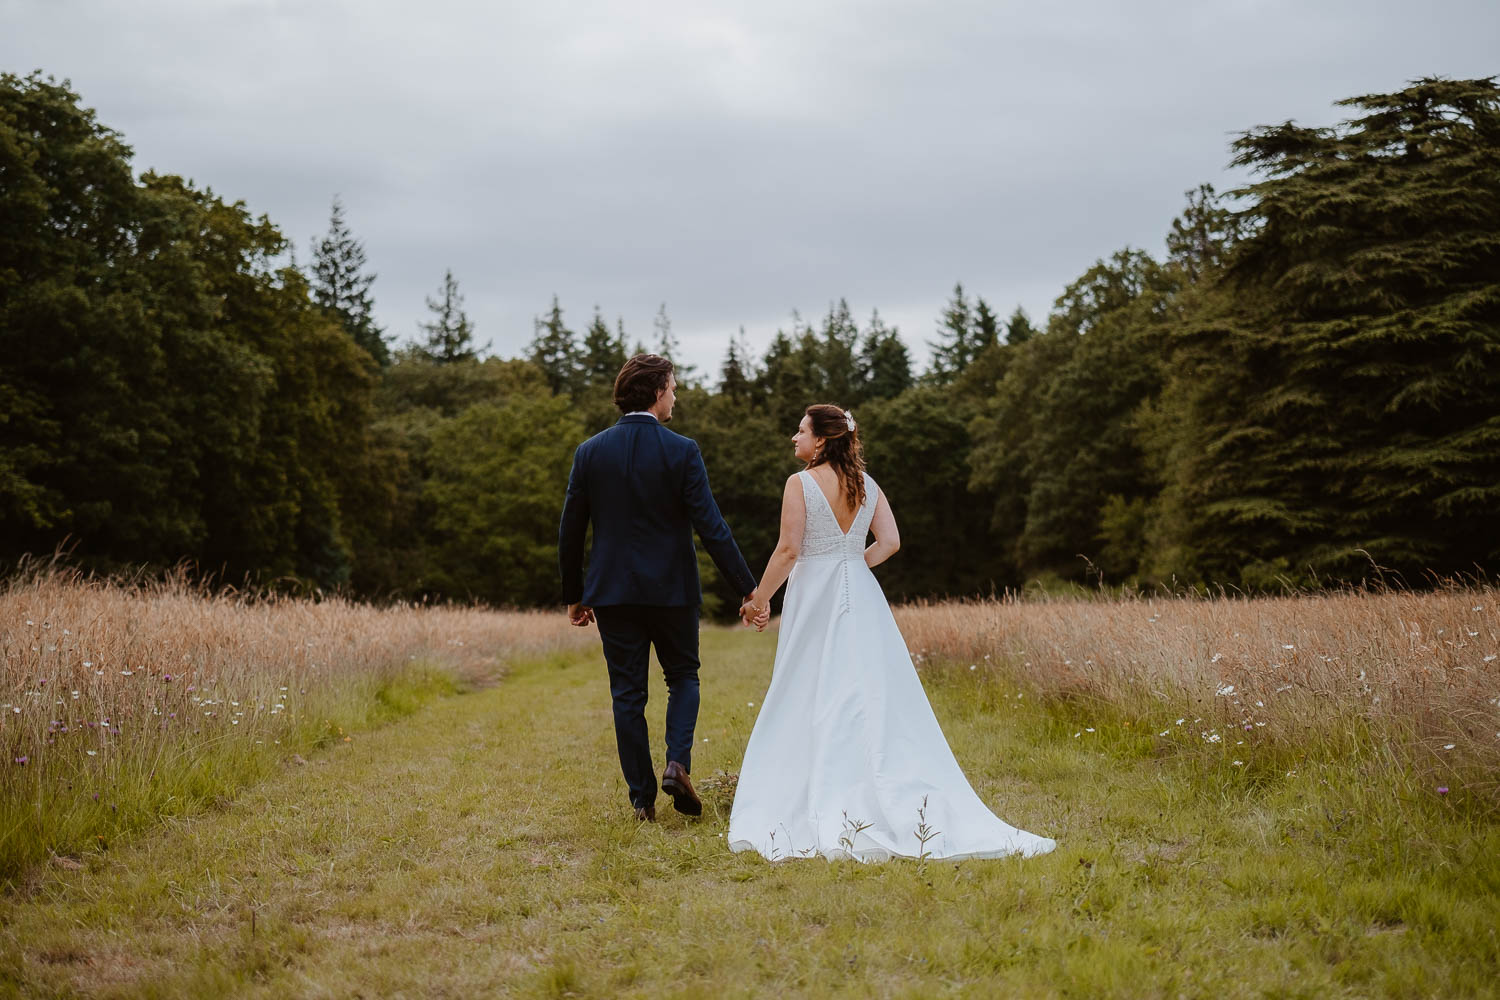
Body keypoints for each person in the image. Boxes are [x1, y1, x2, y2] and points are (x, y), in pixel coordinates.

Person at [729, 404, 1057, 861]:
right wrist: (850, 565)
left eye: (800, 431)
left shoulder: (800, 483)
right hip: (861, 594)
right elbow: (890, 543)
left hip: (815, 597)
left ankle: (815, 793)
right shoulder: (868, 485)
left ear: (821, 440)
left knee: (807, 686)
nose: (794, 438)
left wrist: (759, 599)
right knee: (868, 688)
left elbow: (787, 550)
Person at [558, 354, 762, 823]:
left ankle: (642, 801)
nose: (676, 395)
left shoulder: (590, 452)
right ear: (655, 393)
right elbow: (711, 526)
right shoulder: (682, 450)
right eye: (672, 387)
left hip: (612, 593)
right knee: (683, 676)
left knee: (627, 695)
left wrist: (575, 592)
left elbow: (571, 530)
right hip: (672, 590)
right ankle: (677, 764)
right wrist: (747, 589)